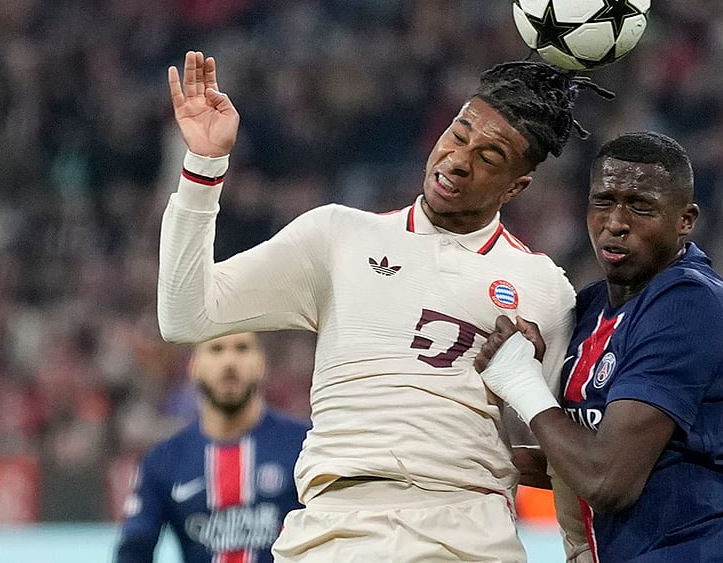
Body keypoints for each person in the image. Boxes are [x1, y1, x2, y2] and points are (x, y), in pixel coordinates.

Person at [156, 51, 612, 561]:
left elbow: (562, 456)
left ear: (517, 186)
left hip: (464, 532)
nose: (459, 161)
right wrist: (203, 166)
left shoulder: (543, 288)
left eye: (489, 157)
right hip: (330, 530)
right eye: (459, 135)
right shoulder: (337, 235)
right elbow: (187, 314)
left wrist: (579, 552)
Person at [478, 132, 723, 562]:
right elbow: (578, 462)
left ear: (685, 220)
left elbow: (608, 482)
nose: (616, 222)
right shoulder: (591, 306)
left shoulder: (688, 301)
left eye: (640, 206)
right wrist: (471, 452)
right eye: (603, 201)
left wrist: (522, 384)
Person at [115, 331, 311, 563]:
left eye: (242, 348)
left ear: (261, 363)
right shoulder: (163, 460)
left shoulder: (305, 446)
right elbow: (134, 550)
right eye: (216, 349)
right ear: (194, 366)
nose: (229, 361)